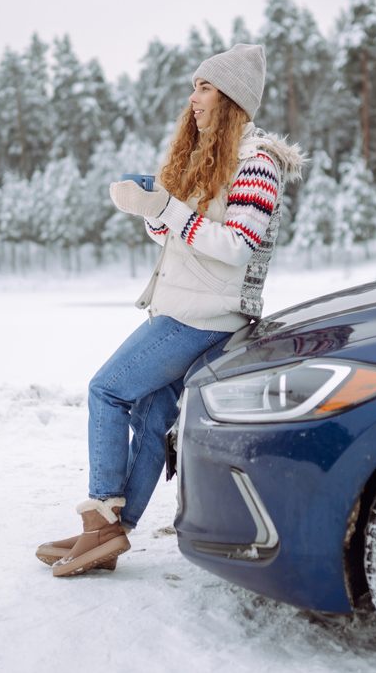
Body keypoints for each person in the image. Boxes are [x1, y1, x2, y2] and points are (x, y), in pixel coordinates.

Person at [35, 43, 304, 577]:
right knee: (152, 415)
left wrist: (167, 209)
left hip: (204, 316)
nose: (193, 98)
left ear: (230, 98)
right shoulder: (215, 161)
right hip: (183, 308)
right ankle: (111, 534)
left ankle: (102, 521)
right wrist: (150, 203)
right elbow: (177, 235)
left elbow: (235, 245)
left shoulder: (257, 164)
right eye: (194, 87)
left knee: (106, 390)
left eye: (204, 87)